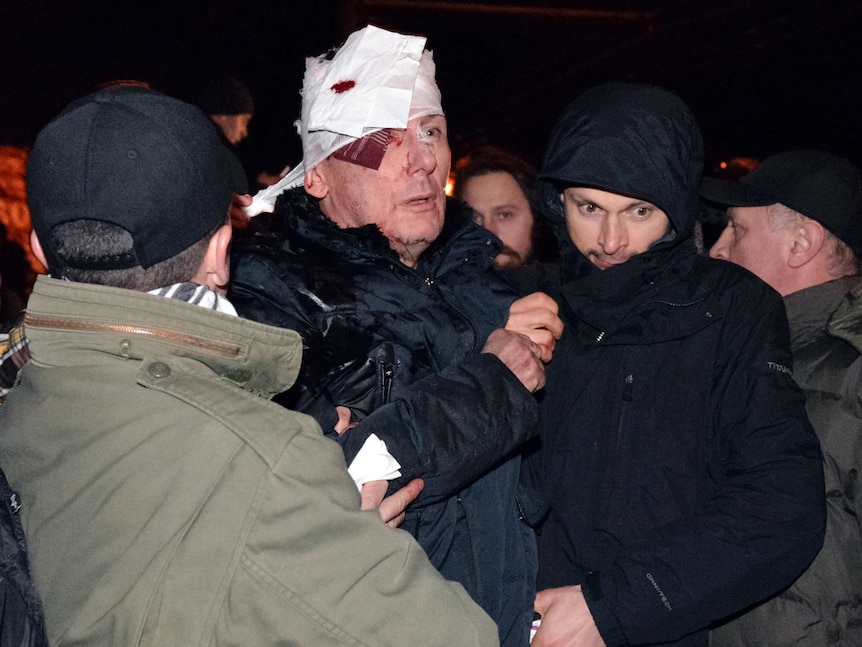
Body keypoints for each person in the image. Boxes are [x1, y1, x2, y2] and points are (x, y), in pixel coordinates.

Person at [0, 84, 500, 646]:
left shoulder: (18, 395)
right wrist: (337, 539)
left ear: (40, 248)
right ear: (219, 252)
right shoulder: (266, 459)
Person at [230, 25, 562, 647]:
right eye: (382, 139)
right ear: (321, 176)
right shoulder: (266, 304)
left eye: (430, 132)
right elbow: (317, 490)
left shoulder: (479, 285)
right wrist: (491, 381)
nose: (422, 159)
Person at [525, 83, 825, 647]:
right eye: (589, 208)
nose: (611, 241)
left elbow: (782, 503)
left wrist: (610, 608)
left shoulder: (734, 308)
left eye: (639, 211)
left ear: (678, 207)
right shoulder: (523, 306)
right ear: (556, 202)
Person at [703, 149, 862, 646]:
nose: (717, 250)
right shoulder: (752, 359)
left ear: (800, 243)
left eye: (737, 230)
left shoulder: (852, 372)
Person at [454, 145, 558, 271]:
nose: (489, 233)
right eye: (474, 218)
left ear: (536, 218)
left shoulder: (574, 286)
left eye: (505, 215)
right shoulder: (436, 286)